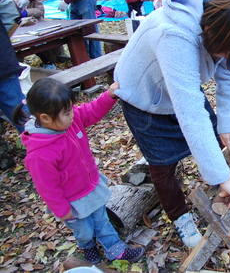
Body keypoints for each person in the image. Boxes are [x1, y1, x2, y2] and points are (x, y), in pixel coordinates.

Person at [114, 0, 230, 248]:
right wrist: (221, 177)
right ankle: (180, 217)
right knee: (162, 167)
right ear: (213, 35)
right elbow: (190, 111)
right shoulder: (174, 34)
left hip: (180, 89)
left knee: (216, 137)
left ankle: (223, 180)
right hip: (143, 97)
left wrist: (229, 126)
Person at [13, 78, 145, 264]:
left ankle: (115, 250)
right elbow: (47, 186)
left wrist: (109, 96)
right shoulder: (40, 153)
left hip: (90, 187)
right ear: (45, 118)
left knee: (102, 221)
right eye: (67, 113)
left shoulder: (68, 120)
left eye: (71, 109)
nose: (72, 115)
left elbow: (90, 111)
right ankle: (87, 245)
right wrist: (62, 210)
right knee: (83, 228)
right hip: (72, 200)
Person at [10, 0, 56, 70]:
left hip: (36, 26)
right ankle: (19, 64)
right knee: (16, 45)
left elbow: (40, 11)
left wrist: (27, 12)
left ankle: (48, 62)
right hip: (23, 27)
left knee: (36, 45)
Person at [0, 0, 27, 135]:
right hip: (3, 60)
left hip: (3, 63)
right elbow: (12, 14)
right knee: (20, 111)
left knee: (20, 112)